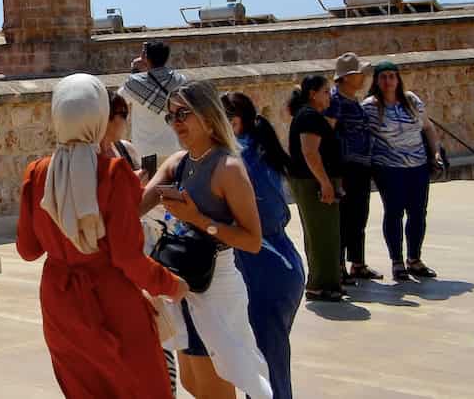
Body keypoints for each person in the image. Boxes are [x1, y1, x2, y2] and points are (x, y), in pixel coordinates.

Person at [18, 74, 187, 398]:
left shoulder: (37, 172)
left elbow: (27, 250)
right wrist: (170, 284)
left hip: (59, 301)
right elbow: (126, 257)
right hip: (111, 300)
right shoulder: (113, 173)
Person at [143, 81, 273, 399]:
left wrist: (199, 221)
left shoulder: (228, 168)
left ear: (208, 116)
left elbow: (252, 240)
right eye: (170, 116)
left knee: (215, 386)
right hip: (183, 285)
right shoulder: (178, 162)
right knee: (193, 381)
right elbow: (135, 206)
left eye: (183, 114)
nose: (175, 123)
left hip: (216, 286)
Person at [221, 92, 305, 399]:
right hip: (280, 265)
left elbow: (266, 215)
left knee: (267, 370)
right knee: (268, 365)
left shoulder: (237, 160)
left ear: (233, 122)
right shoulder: (256, 149)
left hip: (264, 269)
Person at [105, 91, 180, 394]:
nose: (124, 121)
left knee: (159, 340)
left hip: (140, 248)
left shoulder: (126, 150)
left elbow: (139, 203)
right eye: (120, 115)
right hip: (115, 263)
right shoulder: (82, 163)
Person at [363, 61, 443, 282]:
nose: (388, 81)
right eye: (383, 77)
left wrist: (435, 153)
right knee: (394, 212)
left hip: (417, 166)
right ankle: (397, 261)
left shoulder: (411, 100)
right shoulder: (369, 106)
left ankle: (415, 259)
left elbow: (427, 127)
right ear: (377, 81)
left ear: (398, 79)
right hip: (388, 168)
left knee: (418, 213)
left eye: (391, 76)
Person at [285, 74, 345, 301]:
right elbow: (310, 152)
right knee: (323, 233)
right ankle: (322, 284)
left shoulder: (311, 116)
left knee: (323, 232)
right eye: (325, 91)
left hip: (313, 181)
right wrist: (325, 182)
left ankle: (325, 282)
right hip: (313, 182)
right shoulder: (309, 116)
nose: (329, 96)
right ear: (313, 94)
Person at [326, 53, 380, 283]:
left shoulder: (353, 100)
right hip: (346, 169)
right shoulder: (336, 101)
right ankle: (339, 267)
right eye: (359, 73)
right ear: (348, 77)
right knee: (344, 219)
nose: (363, 77)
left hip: (360, 167)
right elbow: (329, 134)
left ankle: (357, 263)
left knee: (359, 217)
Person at [123, 40, 188, 176]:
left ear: (145, 57)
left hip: (145, 150)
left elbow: (120, 100)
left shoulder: (134, 84)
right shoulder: (180, 81)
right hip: (173, 146)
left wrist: (135, 71)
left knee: (150, 193)